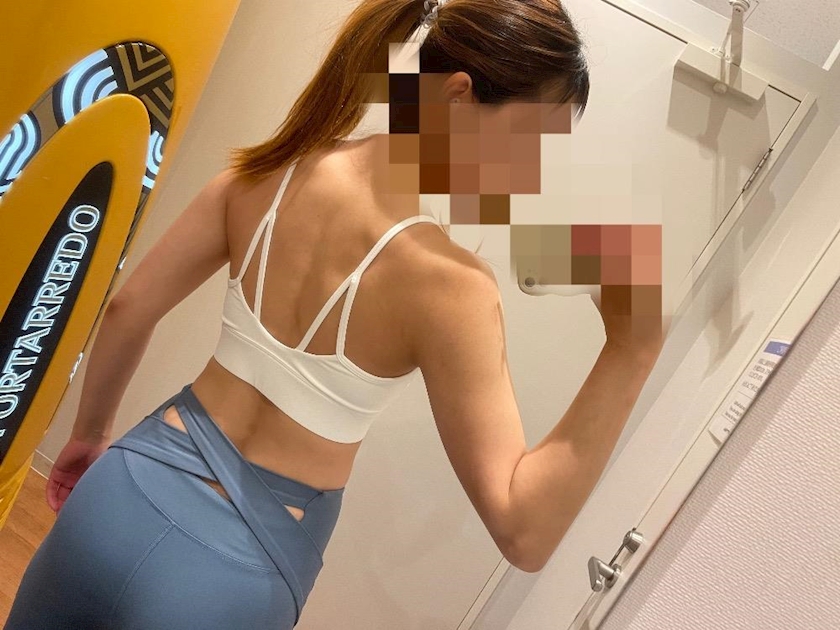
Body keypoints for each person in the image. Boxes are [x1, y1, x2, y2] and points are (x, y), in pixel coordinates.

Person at [5, 0, 666, 628]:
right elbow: (524, 530)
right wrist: (631, 348)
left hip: (116, 499)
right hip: (229, 578)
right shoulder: (453, 286)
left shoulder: (273, 167)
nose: (529, 174)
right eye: (528, 143)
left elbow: (128, 308)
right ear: (458, 96)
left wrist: (89, 437)